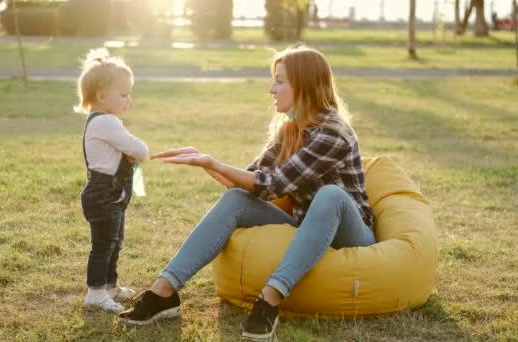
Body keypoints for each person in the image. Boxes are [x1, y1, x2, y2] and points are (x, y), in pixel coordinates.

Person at [119, 45, 375, 339]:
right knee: (237, 199)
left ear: (304, 85)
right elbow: (248, 181)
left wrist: (213, 162)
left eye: (280, 81)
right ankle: (163, 292)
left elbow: (272, 184)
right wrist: (204, 160)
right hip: (308, 229)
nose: (271, 89)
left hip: (353, 234)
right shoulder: (291, 129)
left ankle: (270, 300)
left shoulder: (333, 133)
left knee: (329, 195)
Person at [76, 48, 148, 312]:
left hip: (112, 196)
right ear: (102, 96)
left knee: (115, 242)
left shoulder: (103, 121)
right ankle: (95, 292)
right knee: (103, 246)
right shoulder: (106, 123)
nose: (129, 100)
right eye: (124, 94)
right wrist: (137, 150)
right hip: (104, 195)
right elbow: (140, 150)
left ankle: (110, 286)